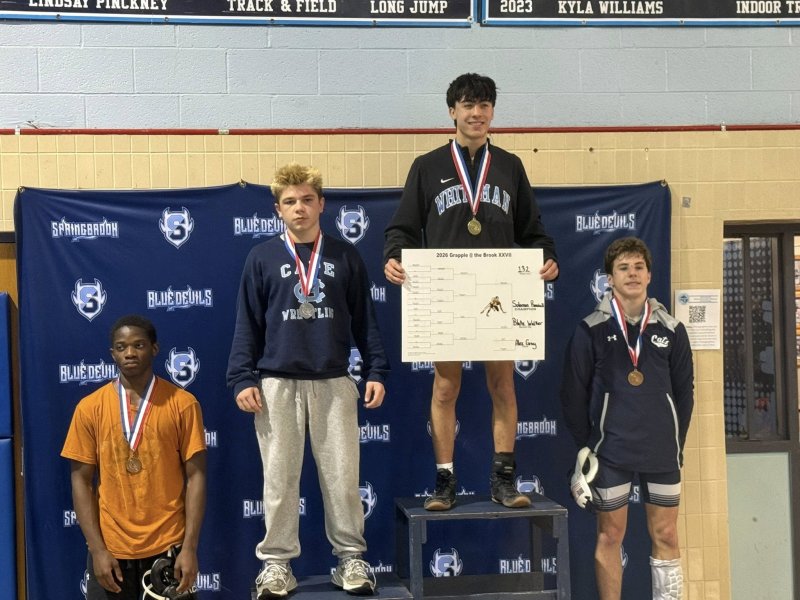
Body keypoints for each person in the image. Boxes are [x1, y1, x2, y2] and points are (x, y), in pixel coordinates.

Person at [383, 73, 558, 511]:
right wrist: (394, 256)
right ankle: (444, 481)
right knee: (446, 387)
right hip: (447, 291)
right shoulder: (427, 166)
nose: (476, 113)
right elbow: (402, 228)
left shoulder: (510, 166)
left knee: (503, 385)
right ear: (452, 111)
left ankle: (503, 481)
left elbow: (533, 231)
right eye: (468, 105)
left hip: (497, 290)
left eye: (484, 105)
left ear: (492, 112)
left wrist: (547, 258)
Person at [227, 163, 389, 599]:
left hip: (334, 380)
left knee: (342, 477)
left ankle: (351, 558)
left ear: (322, 204)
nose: (299, 208)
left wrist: (375, 370)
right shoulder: (261, 257)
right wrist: (242, 377)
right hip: (276, 383)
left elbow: (366, 320)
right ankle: (277, 565)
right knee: (279, 480)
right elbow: (247, 323)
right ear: (277, 210)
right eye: (290, 202)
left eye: (306, 200)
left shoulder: (344, 255)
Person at [560, 237, 694, 600]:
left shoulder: (672, 329)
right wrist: (586, 447)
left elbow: (685, 393)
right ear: (610, 279)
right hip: (611, 452)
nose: (632, 274)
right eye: (623, 268)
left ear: (649, 275)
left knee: (667, 534)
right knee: (610, 535)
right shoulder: (591, 329)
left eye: (638, 267)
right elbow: (573, 394)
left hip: (661, 452)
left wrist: (676, 444)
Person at [62, 315, 207, 600]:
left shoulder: (182, 404)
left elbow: (196, 477)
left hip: (168, 548)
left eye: (138, 345)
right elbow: (80, 481)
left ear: (154, 349)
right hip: (111, 552)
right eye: (121, 347)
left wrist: (189, 547)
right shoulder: (89, 408)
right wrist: (97, 550)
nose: (130, 353)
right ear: (112, 353)